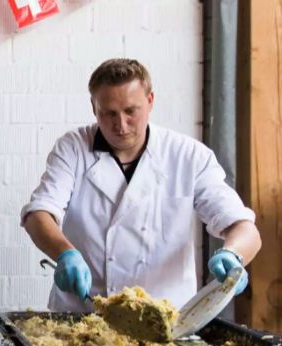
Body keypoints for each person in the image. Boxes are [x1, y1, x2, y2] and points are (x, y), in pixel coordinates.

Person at [21, 58, 261, 312]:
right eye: (109, 113)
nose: (120, 125)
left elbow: (242, 226)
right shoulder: (73, 148)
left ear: (150, 101)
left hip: (165, 317)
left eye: (130, 111)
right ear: (94, 107)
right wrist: (65, 253)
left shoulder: (188, 156)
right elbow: (39, 213)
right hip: (84, 312)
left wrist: (234, 255)